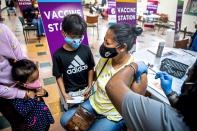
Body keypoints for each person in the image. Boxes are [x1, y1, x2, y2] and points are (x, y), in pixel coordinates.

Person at [60, 23, 147, 130]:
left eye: (107, 42)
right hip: (95, 104)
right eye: (104, 40)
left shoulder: (135, 71)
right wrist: (87, 85)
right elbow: (97, 76)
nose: (103, 45)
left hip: (113, 114)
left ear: (122, 47)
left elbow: (134, 109)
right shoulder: (106, 58)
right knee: (65, 120)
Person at [106, 62, 196, 131]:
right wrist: (170, 94)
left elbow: (112, 86)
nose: (187, 73)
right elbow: (188, 110)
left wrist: (134, 65)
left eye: (190, 74)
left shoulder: (164, 119)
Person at [52, 13, 95, 127]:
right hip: (71, 93)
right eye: (73, 36)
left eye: (80, 36)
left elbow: (91, 68)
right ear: (63, 33)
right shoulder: (58, 55)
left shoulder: (86, 49)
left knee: (89, 115)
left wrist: (90, 86)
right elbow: (58, 76)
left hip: (87, 90)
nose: (77, 39)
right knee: (74, 119)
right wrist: (64, 94)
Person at [9, 59, 54, 130]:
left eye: (38, 77)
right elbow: (23, 112)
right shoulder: (16, 97)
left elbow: (45, 95)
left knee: (46, 127)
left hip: (44, 116)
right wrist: (32, 98)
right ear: (21, 83)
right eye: (33, 80)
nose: (38, 82)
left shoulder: (33, 86)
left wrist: (44, 92)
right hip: (35, 123)